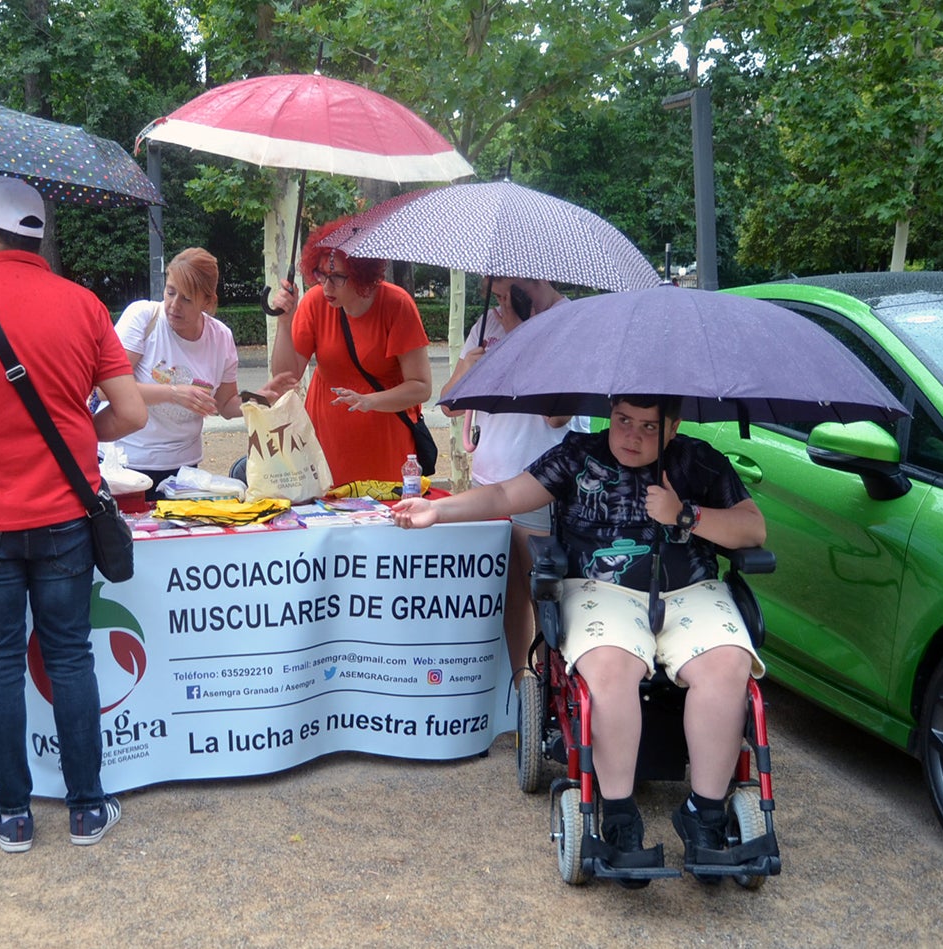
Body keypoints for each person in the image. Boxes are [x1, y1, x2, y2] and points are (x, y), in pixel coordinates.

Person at [393, 394, 767, 875]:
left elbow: (753, 529)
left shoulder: (700, 462)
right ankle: (618, 815)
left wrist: (686, 515)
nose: (630, 435)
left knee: (727, 665)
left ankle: (705, 814)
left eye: (647, 427)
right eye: (622, 420)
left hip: (690, 589)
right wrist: (437, 511)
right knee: (611, 668)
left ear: (672, 427)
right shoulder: (577, 456)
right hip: (600, 589)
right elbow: (506, 495)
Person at [0, 176, 146, 854]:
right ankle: (87, 807)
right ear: (36, 236)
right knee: (70, 653)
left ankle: (13, 813)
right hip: (62, 512)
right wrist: (79, 424)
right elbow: (129, 411)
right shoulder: (83, 304)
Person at [436, 276, 575, 680]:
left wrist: (522, 342)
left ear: (535, 282)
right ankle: (520, 685)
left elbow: (558, 415)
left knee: (545, 591)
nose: (501, 307)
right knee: (507, 591)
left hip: (538, 482)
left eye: (509, 296)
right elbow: (449, 405)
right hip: (488, 481)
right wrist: (468, 369)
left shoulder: (567, 323)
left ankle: (553, 685)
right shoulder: (486, 325)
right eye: (495, 297)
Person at [265, 217, 433, 486]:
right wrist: (285, 322)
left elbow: (421, 387)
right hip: (326, 448)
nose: (326, 286)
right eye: (321, 275)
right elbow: (285, 376)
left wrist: (370, 401)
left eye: (337, 277)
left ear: (362, 275)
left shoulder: (397, 305)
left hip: (386, 451)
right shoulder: (314, 302)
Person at [112, 248, 251, 497]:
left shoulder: (220, 337)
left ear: (207, 302)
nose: (174, 306)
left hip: (182, 470)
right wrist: (173, 393)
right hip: (126, 466)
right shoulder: (143, 317)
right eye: (170, 292)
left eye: (186, 299)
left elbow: (226, 405)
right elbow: (105, 388)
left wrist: (262, 400)